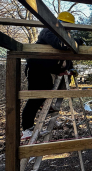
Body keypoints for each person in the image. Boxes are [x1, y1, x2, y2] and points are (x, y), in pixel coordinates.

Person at [21, 12, 85, 140]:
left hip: (46, 69)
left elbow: (66, 55)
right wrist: (78, 41)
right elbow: (60, 45)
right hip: (36, 67)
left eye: (70, 27)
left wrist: (70, 69)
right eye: (67, 26)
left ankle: (42, 103)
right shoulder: (48, 31)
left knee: (47, 88)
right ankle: (26, 129)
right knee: (34, 97)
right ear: (59, 23)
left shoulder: (65, 35)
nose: (69, 30)